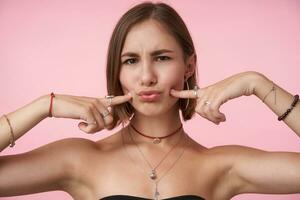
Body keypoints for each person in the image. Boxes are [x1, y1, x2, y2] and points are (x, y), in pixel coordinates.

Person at [0, 2, 299, 200]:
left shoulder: (222, 166)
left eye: (162, 58)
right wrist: (45, 106)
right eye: (130, 61)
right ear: (116, 72)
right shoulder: (79, 160)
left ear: (189, 66)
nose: (146, 77)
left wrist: (257, 84)